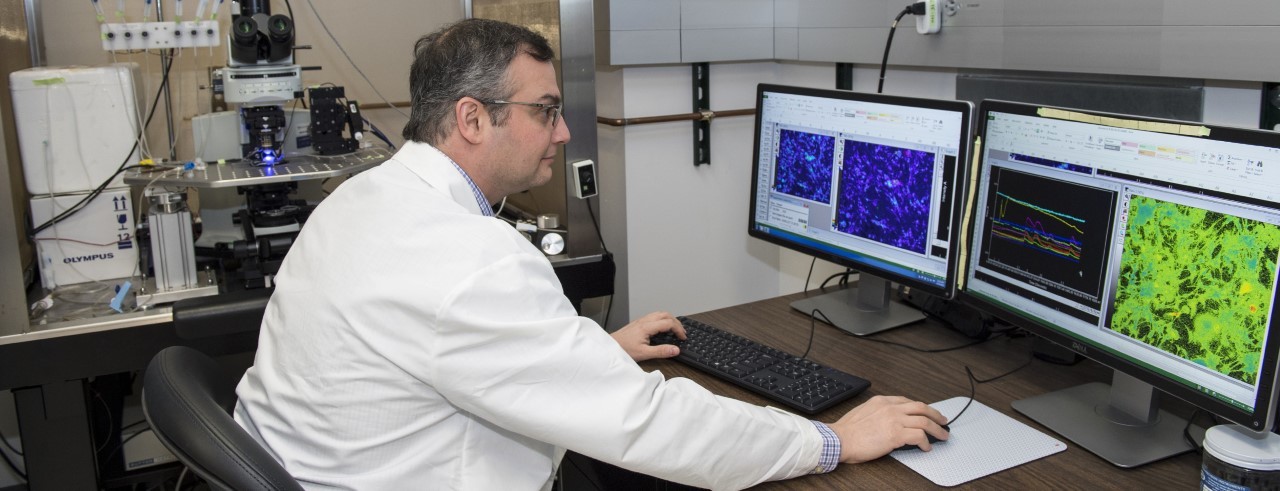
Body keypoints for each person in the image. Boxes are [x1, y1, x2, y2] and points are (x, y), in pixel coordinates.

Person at [233, 17, 948, 490]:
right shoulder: (468, 259)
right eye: (545, 110)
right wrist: (832, 439)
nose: (566, 131)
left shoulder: (360, 199)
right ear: (472, 119)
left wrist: (588, 351)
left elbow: (450, 344)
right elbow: (650, 425)